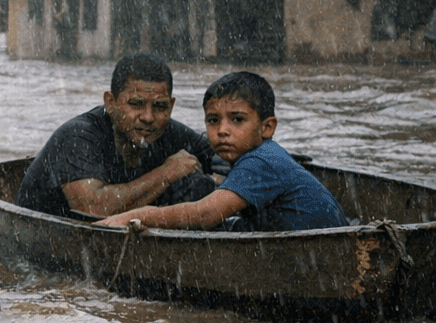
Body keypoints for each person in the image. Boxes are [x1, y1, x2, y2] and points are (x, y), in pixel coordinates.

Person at [97, 71, 348, 232]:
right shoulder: (261, 155)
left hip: (319, 253)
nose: (222, 131)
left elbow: (204, 214)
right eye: (213, 121)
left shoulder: (261, 161)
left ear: (267, 127)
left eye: (237, 120)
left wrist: (136, 216)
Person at [16, 53, 217, 219]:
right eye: (136, 104)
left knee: (199, 185)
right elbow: (93, 209)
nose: (148, 117)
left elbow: (225, 153)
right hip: (49, 239)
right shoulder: (78, 135)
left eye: (159, 106)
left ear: (171, 106)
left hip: (113, 243)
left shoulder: (168, 131)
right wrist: (167, 173)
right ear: (110, 103)